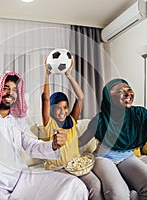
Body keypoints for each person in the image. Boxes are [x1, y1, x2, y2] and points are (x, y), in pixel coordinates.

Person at [0, 20, 89, 200]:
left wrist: (53, 145)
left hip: (22, 180)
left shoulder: (17, 121)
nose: (10, 92)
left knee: (74, 185)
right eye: (5, 87)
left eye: (14, 89)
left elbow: (32, 146)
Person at [79, 78, 147, 200]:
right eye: (120, 91)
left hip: (127, 156)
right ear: (109, 97)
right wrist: (62, 141)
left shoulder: (140, 114)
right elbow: (81, 141)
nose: (127, 93)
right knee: (118, 194)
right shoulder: (99, 120)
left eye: (129, 90)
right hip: (103, 157)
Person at [41, 58, 103, 199]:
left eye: (65, 107)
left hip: (76, 164)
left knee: (95, 184)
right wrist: (46, 75)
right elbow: (45, 98)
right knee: (75, 186)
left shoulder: (72, 120)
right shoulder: (49, 123)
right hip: (57, 168)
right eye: (57, 108)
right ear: (51, 109)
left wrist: (68, 75)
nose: (62, 111)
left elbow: (80, 98)